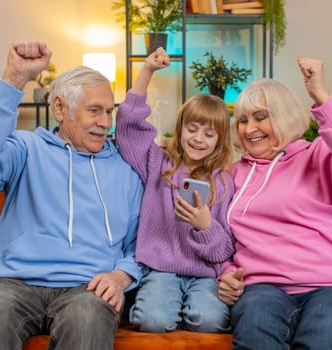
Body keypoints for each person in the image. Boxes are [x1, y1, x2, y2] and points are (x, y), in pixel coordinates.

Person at [0, 41, 144, 350]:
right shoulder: (27, 149)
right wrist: (14, 78)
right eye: (94, 111)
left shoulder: (125, 170)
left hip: (88, 287)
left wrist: (122, 276)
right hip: (13, 283)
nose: (105, 123)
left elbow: (142, 243)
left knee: (87, 321)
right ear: (60, 108)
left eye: (109, 112)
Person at [218, 57, 332, 349]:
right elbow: (220, 239)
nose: (249, 128)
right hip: (263, 287)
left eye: (260, 117)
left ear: (283, 117)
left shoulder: (319, 155)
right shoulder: (233, 174)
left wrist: (321, 96)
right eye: (243, 120)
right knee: (255, 337)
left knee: (326, 339)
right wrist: (227, 272)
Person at [115, 47, 235, 333]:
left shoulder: (225, 181)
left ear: (219, 140)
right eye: (192, 129)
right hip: (160, 269)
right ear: (180, 128)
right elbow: (128, 127)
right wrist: (147, 72)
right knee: (152, 320)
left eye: (209, 134)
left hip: (205, 274)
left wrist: (205, 226)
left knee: (211, 321)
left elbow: (225, 249)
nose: (198, 139)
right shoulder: (156, 162)